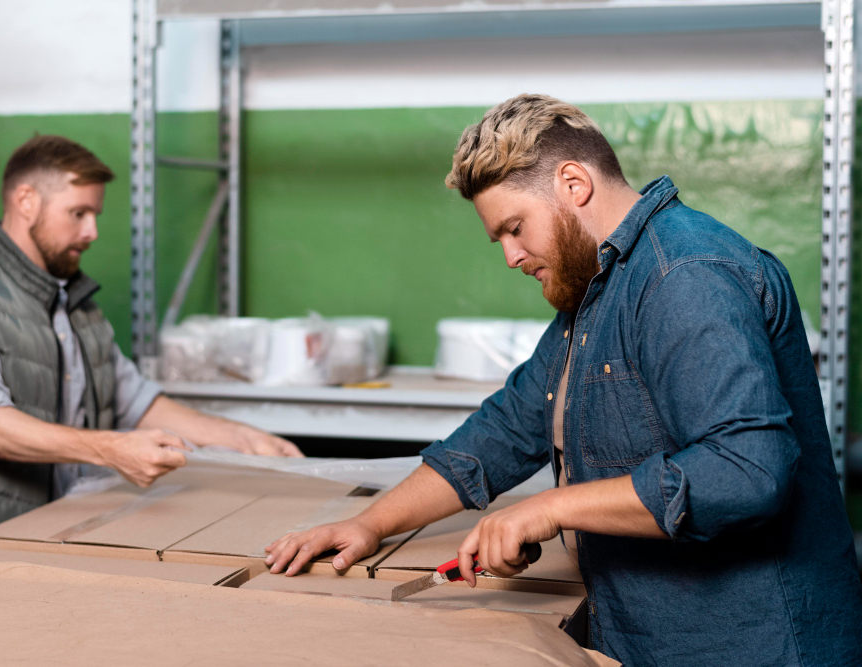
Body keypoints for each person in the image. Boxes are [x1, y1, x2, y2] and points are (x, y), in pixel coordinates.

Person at [264, 95, 862, 665]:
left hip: (751, 645)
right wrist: (368, 524)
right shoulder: (596, 290)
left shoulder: (683, 275)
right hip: (646, 634)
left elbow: (746, 470)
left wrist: (551, 508)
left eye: (515, 227)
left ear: (573, 184)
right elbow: (505, 430)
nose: (510, 256)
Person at [0, 135, 303, 554]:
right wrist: (110, 448)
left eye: (95, 215)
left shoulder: (77, 305)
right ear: (26, 200)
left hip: (45, 539)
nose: (92, 232)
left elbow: (134, 400)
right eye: (78, 213)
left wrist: (242, 439)